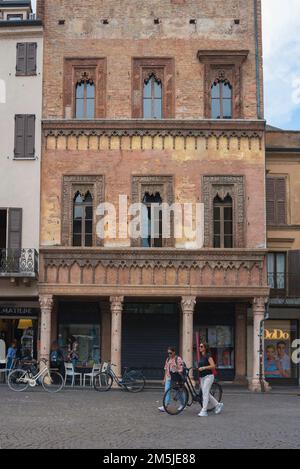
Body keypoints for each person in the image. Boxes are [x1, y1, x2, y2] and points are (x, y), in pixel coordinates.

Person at [198, 342, 224, 417]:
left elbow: (213, 366)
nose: (200, 347)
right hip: (202, 377)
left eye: (201, 346)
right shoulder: (202, 356)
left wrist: (204, 368)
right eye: (200, 346)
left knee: (205, 393)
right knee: (205, 393)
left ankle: (204, 410)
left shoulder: (208, 356)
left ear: (205, 348)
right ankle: (218, 404)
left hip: (208, 376)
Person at [158, 346, 185, 413]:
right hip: (168, 377)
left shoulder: (178, 359)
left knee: (178, 392)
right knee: (167, 391)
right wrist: (164, 379)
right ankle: (165, 406)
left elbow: (181, 369)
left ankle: (183, 404)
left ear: (174, 352)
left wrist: (176, 370)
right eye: (168, 353)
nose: (169, 354)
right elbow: (166, 369)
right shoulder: (167, 359)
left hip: (176, 378)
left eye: (170, 353)